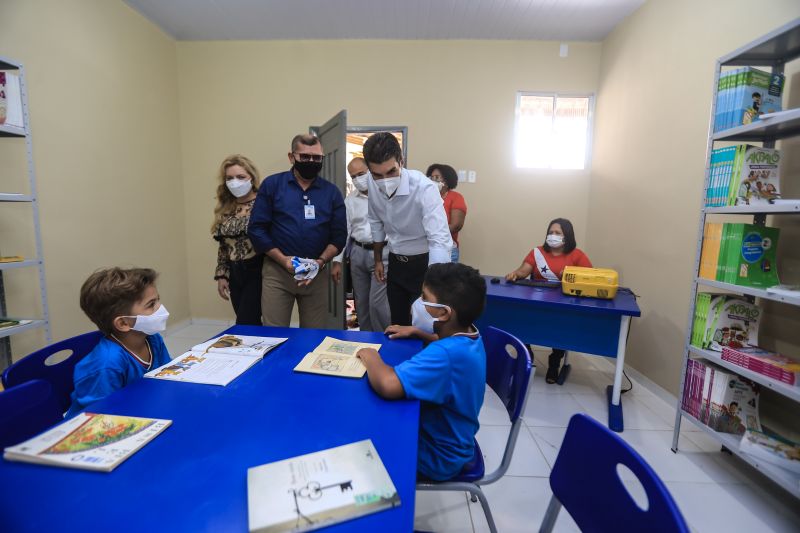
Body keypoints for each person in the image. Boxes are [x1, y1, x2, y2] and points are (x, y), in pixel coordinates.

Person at [356, 263, 486, 481]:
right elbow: (443, 342)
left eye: (425, 298)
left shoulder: (446, 355)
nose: (419, 303)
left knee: (362, 438)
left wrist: (371, 356)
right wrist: (418, 332)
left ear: (444, 313)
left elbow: (388, 384)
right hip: (450, 436)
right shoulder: (469, 335)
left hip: (437, 456)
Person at [248, 134, 347, 328]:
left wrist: (319, 263)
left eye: (317, 158)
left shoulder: (331, 192)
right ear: (291, 157)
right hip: (278, 272)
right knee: (274, 333)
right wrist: (283, 260)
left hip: (316, 274)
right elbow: (257, 229)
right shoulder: (272, 185)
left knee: (313, 334)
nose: (311, 162)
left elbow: (339, 236)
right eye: (305, 157)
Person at [364, 132, 452, 326]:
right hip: (396, 263)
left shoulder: (424, 189)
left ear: (401, 161)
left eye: (391, 172)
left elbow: (439, 240)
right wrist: (378, 259)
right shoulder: (371, 181)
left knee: (424, 325)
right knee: (398, 322)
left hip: (423, 264)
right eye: (378, 175)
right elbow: (376, 220)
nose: (385, 180)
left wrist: (433, 285)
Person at [66, 267, 172, 418]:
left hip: (143, 407)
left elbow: (168, 377)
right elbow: (101, 416)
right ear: (123, 323)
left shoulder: (152, 338)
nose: (160, 308)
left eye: (158, 300)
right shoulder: (107, 363)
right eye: (151, 304)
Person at [505, 218, 592, 384]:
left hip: (562, 305)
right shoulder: (537, 252)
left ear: (567, 236)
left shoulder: (577, 255)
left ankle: (555, 362)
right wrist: (515, 274)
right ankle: (527, 355)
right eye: (551, 232)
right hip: (536, 302)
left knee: (560, 327)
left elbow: (588, 278)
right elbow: (524, 270)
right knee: (522, 319)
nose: (553, 235)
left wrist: (568, 276)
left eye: (557, 233)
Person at [331, 157, 390, 332]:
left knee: (378, 305)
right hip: (357, 253)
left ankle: (384, 342)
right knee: (361, 303)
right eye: (353, 176)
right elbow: (345, 232)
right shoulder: (350, 200)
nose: (357, 179)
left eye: (361, 174)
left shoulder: (386, 195)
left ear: (371, 171)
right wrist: (337, 260)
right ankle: (365, 341)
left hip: (383, 254)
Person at [211, 154, 263, 325]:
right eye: (230, 178)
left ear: (251, 178)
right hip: (234, 272)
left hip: (258, 270)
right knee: (248, 321)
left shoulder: (263, 203)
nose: (235, 182)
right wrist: (222, 276)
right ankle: (254, 350)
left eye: (241, 177)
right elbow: (224, 246)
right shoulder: (226, 206)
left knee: (245, 322)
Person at [426, 164, 467, 263]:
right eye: (431, 177)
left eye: (436, 177)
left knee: (445, 278)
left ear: (447, 181)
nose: (433, 180)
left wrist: (430, 233)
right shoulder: (426, 196)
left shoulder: (456, 197)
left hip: (447, 249)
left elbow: (456, 226)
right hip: (425, 249)